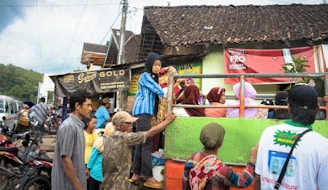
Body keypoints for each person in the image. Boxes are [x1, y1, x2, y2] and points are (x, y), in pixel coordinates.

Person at [254, 84, 328, 189]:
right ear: (317, 109)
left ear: (289, 108)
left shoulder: (268, 133)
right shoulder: (323, 145)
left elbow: (258, 178)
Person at [101, 111, 176, 189]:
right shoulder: (124, 137)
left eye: (131, 123)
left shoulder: (110, 137)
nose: (131, 125)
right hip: (118, 186)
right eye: (128, 123)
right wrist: (168, 121)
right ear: (118, 126)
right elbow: (150, 133)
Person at [182, 123, 258, 190]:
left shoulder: (192, 158)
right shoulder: (222, 170)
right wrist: (252, 160)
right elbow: (243, 181)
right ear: (221, 144)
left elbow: (185, 183)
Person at [130, 52, 165, 188]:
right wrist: (166, 90)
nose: (157, 67)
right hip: (143, 111)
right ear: (150, 64)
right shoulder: (145, 76)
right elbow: (158, 90)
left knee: (140, 142)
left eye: (159, 65)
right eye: (155, 64)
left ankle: (136, 174)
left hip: (143, 112)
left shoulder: (150, 77)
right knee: (147, 142)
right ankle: (148, 176)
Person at [51, 93, 92, 190]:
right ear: (78, 105)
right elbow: (65, 159)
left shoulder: (78, 126)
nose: (90, 109)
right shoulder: (69, 126)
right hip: (67, 185)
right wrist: (77, 185)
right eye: (88, 105)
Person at [86, 124, 115, 190]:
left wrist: (88, 168)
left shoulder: (99, 141)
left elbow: (92, 157)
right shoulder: (116, 143)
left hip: (95, 173)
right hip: (108, 174)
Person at [83, 115, 98, 187]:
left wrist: (94, 132)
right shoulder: (82, 134)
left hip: (92, 162)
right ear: (87, 123)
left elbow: (98, 144)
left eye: (96, 123)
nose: (95, 125)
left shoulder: (94, 134)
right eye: (93, 123)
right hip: (84, 161)